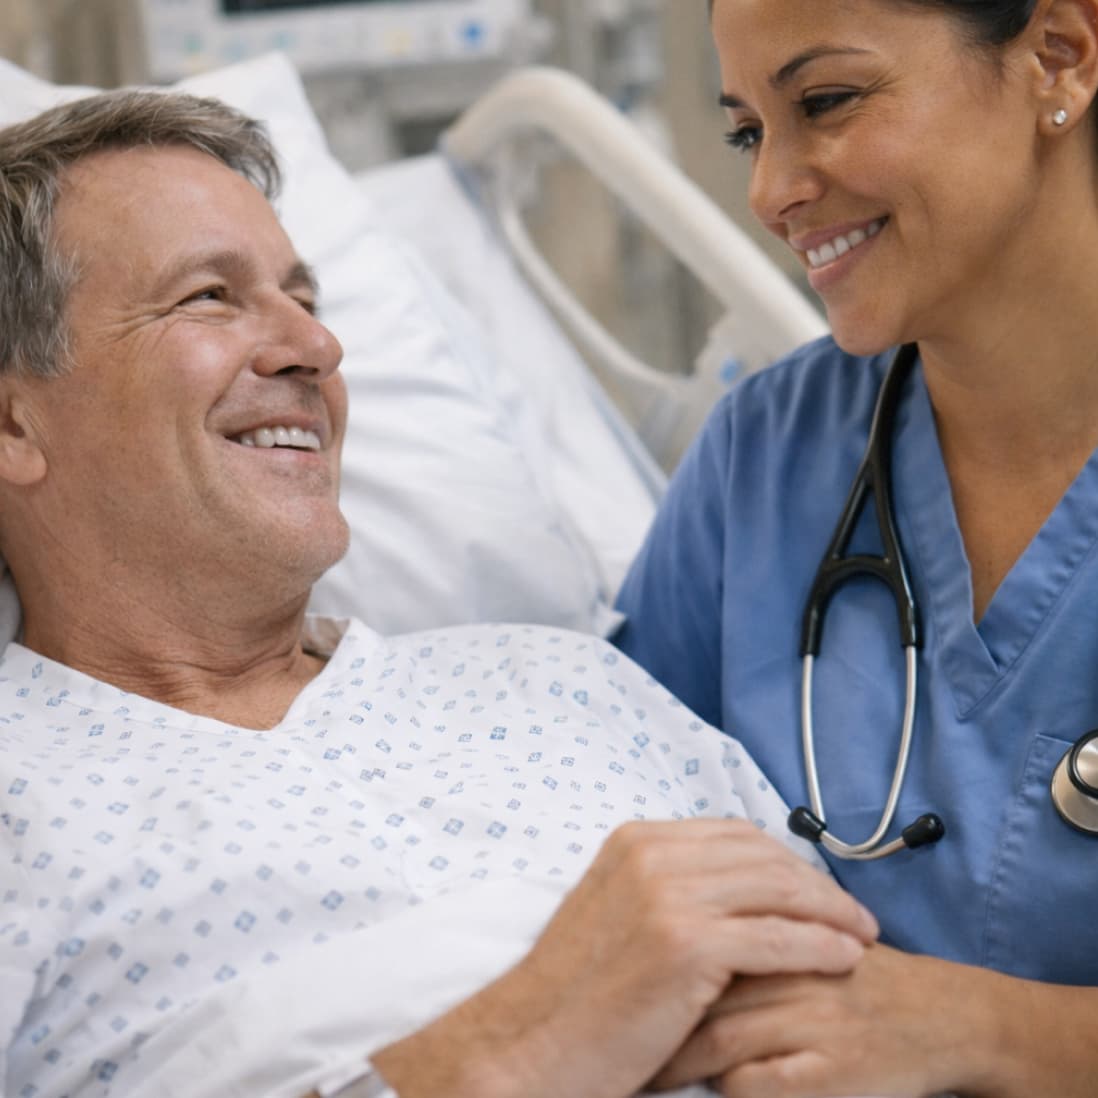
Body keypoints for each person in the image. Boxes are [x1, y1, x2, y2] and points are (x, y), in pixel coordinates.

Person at [0, 91, 880, 1098]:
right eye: (208, 295)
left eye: (309, 301)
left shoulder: (566, 687)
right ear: (15, 425)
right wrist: (528, 1041)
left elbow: (864, 1018)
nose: (314, 349)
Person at [614, 0, 1098, 1093]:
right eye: (749, 130)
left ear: (1058, 56)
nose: (768, 189)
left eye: (824, 102)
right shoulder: (764, 460)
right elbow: (600, 841)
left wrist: (972, 1028)